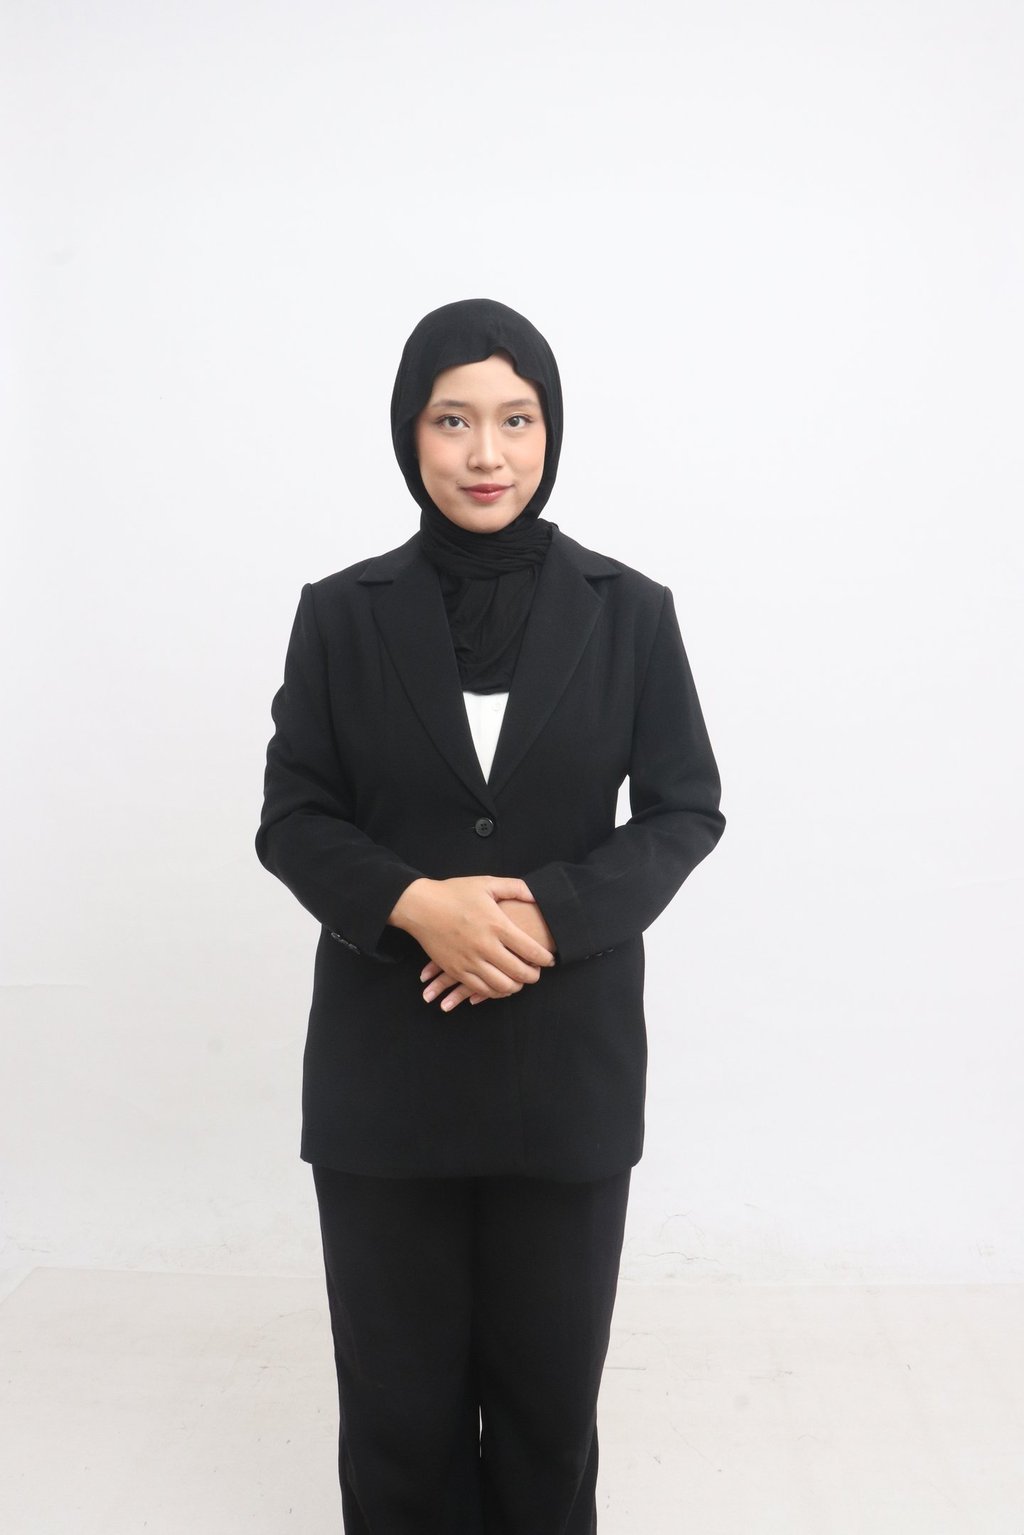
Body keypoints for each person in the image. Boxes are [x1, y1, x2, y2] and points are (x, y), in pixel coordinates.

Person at [255, 297, 725, 1533]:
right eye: (451, 419)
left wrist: (543, 915)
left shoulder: (630, 610)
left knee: (547, 1415)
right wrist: (415, 904)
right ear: (407, 433)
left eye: (516, 420)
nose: (485, 453)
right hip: (384, 1078)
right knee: (397, 1418)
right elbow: (293, 815)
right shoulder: (340, 612)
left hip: (564, 1076)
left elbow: (685, 806)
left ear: (550, 431)